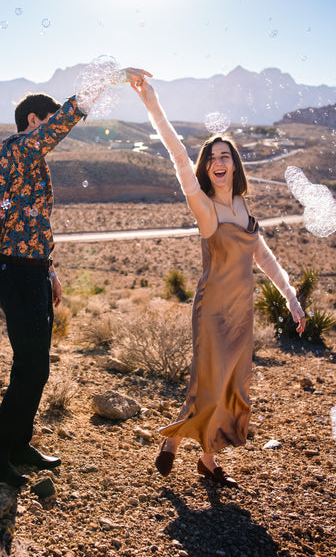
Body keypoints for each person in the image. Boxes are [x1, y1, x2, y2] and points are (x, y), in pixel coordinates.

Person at [0, 67, 151, 487]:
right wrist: (109, 79)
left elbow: (33, 224)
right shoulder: (16, 147)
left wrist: (50, 271)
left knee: (37, 369)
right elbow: (63, 122)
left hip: (32, 269)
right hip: (16, 272)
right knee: (30, 367)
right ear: (34, 121)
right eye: (47, 120)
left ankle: (18, 444)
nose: (53, 130)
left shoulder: (32, 161)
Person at [132, 78, 305, 487]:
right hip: (212, 309)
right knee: (209, 378)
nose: (218, 161)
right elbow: (177, 157)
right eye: (211, 158)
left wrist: (292, 298)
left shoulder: (244, 206)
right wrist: (153, 105)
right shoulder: (205, 208)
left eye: (225, 155)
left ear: (235, 164)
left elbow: (262, 256)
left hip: (241, 311)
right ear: (206, 167)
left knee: (227, 383)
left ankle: (193, 454)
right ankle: (194, 451)